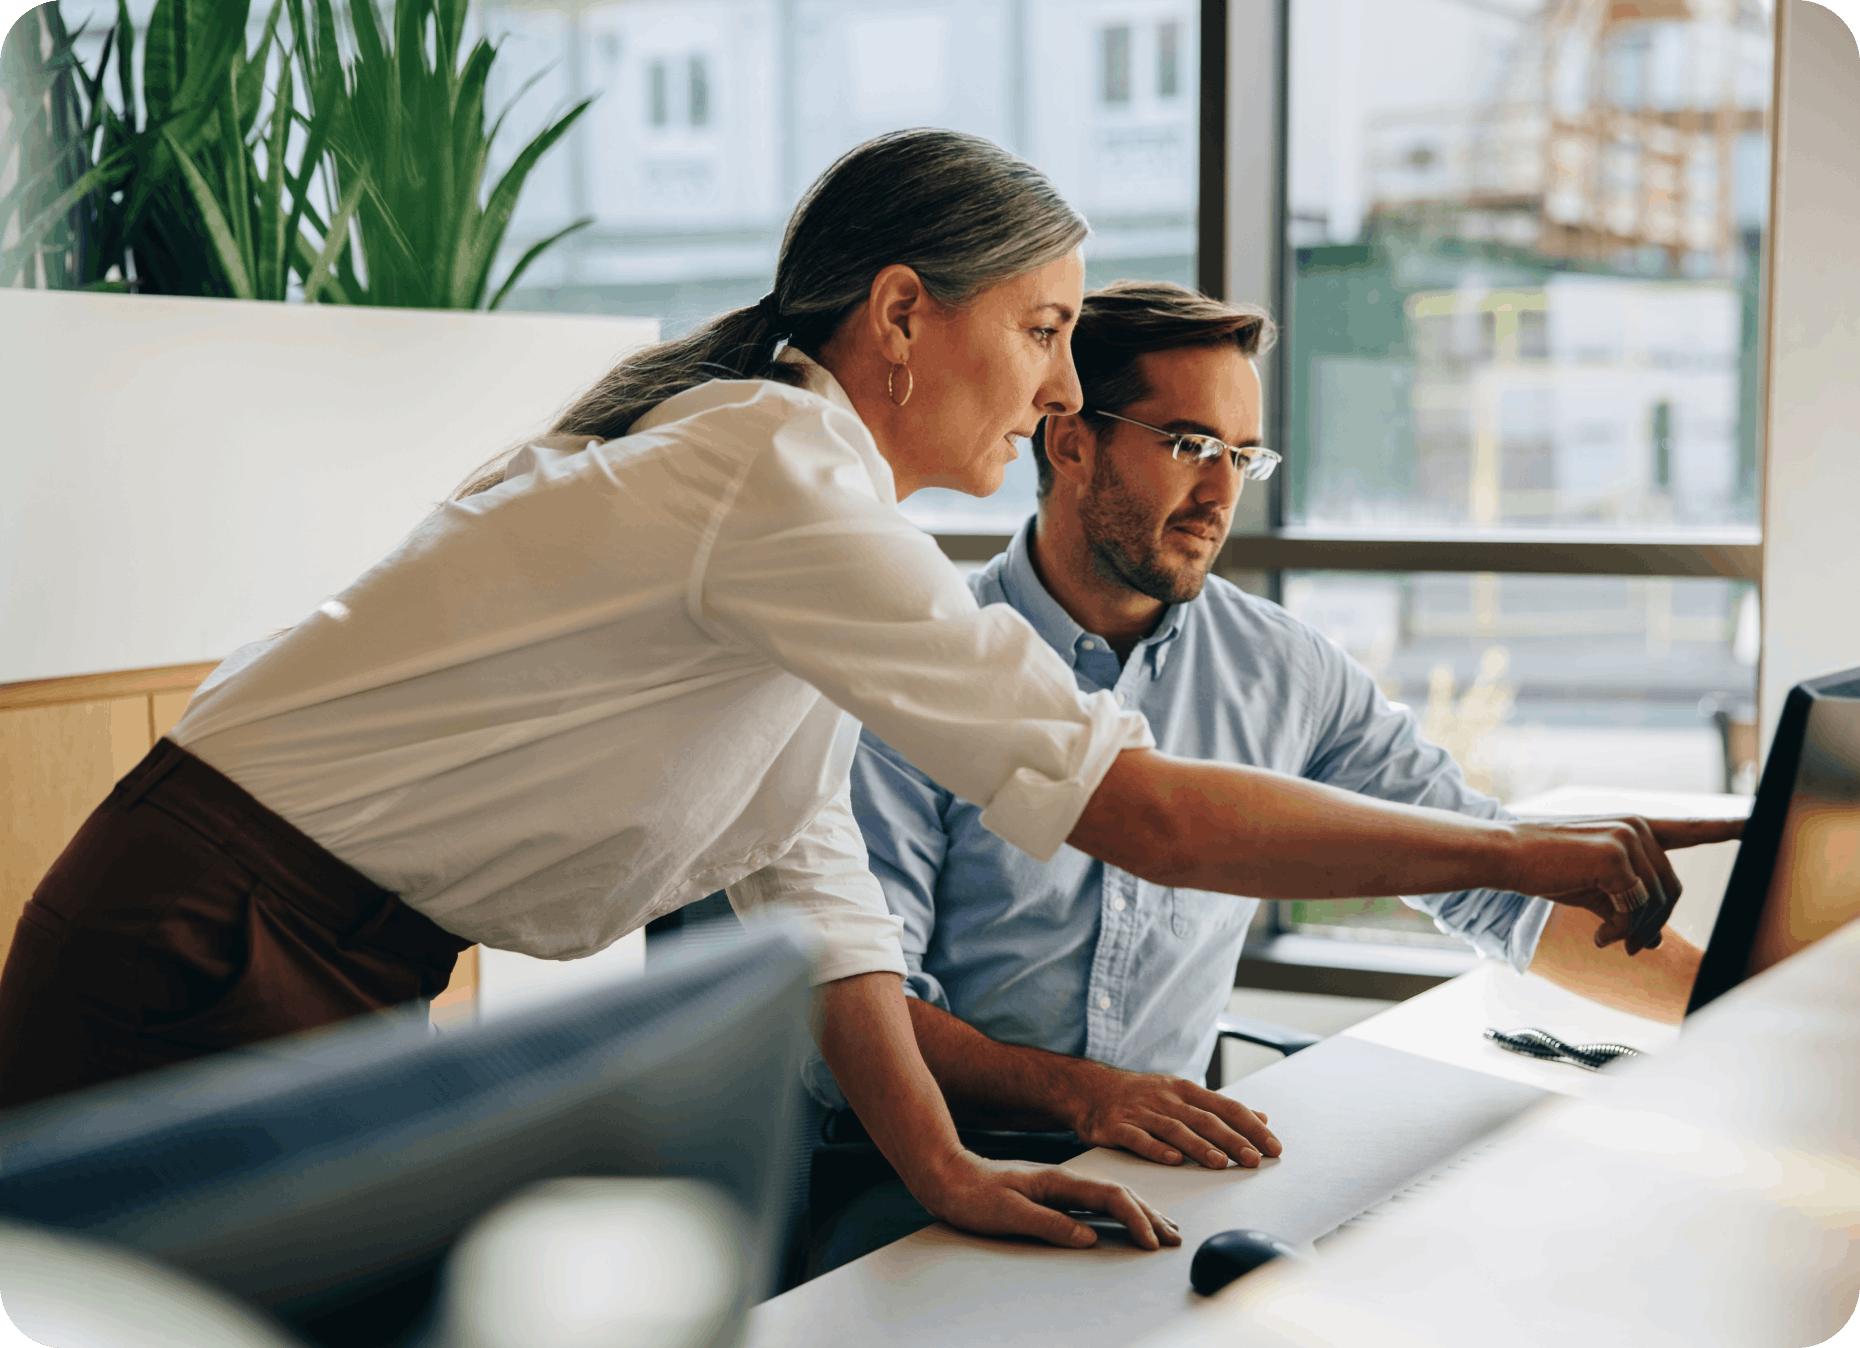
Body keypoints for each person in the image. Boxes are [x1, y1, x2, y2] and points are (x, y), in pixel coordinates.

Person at [0, 132, 1733, 1256]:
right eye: (1046, 328)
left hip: (314, 944)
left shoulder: (808, 519)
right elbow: (1138, 808)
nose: (1062, 382)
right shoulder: (776, 477)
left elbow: (808, 879)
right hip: (211, 935)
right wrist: (1532, 855)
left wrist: (949, 1172)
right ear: (906, 314)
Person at [803, 280, 1712, 1267]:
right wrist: (1089, 1094)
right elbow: (863, 996)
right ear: (1071, 440)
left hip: (1163, 1171)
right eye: (1191, 445)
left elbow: (1498, 886)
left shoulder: (1283, 670)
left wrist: (1734, 1016)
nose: (1222, 493)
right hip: (921, 1169)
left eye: (1243, 456)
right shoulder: (921, 663)